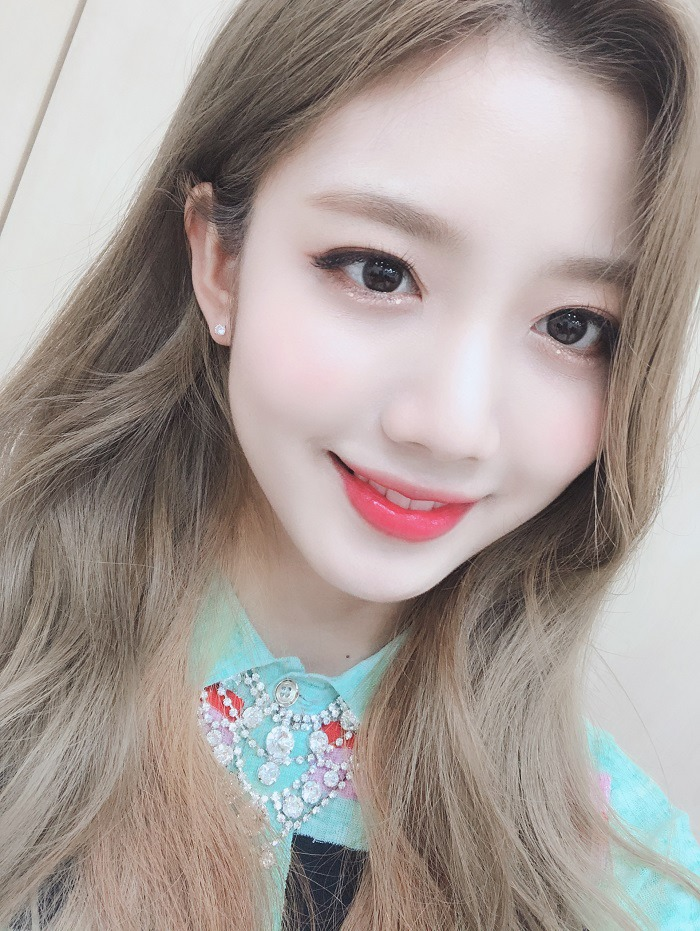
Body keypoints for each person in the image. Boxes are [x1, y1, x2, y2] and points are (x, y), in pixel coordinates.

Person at [1, 0, 700, 928]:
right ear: (219, 259)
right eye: (379, 271)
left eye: (573, 326)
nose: (453, 427)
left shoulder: (623, 883)